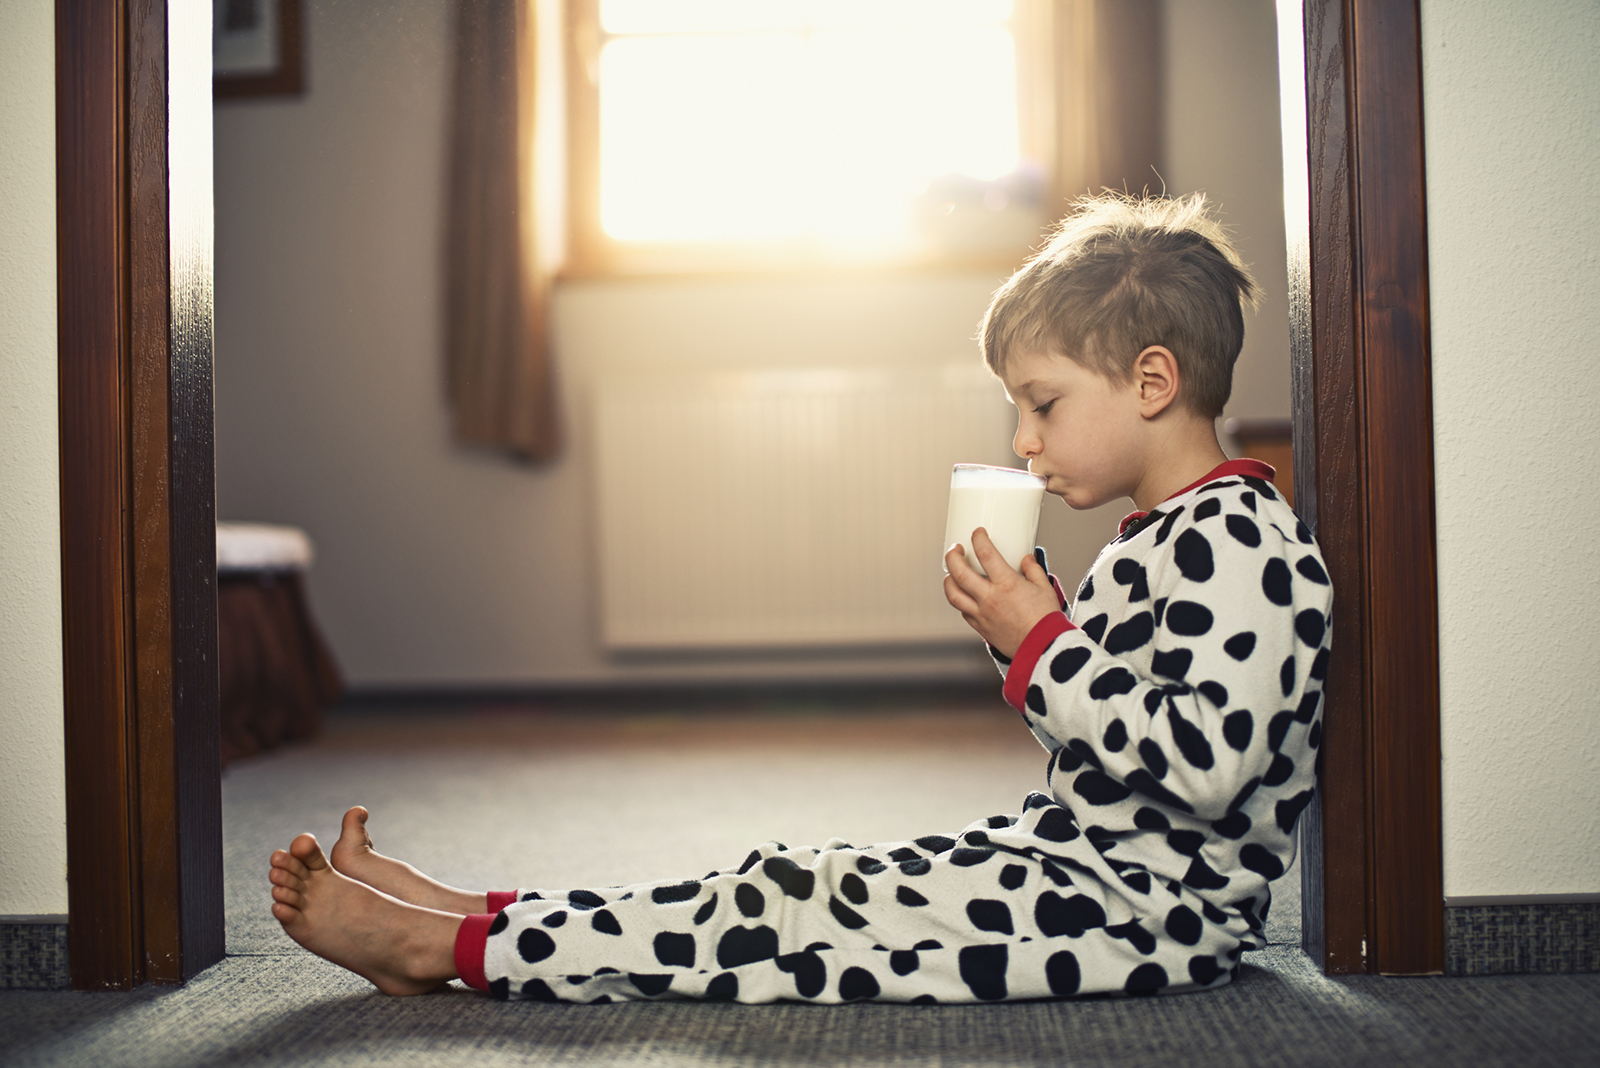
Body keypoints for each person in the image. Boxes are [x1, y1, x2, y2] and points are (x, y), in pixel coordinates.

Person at [268, 192, 1331, 1003]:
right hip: (1073, 872)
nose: (1023, 440)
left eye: (1043, 404)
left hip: (1137, 922)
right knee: (790, 876)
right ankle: (476, 914)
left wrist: (1044, 643)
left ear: (1152, 383)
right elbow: (1108, 744)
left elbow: (1202, 765)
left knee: (780, 923)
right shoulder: (1169, 536)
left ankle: (438, 949)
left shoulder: (1239, 539)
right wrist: (1031, 638)